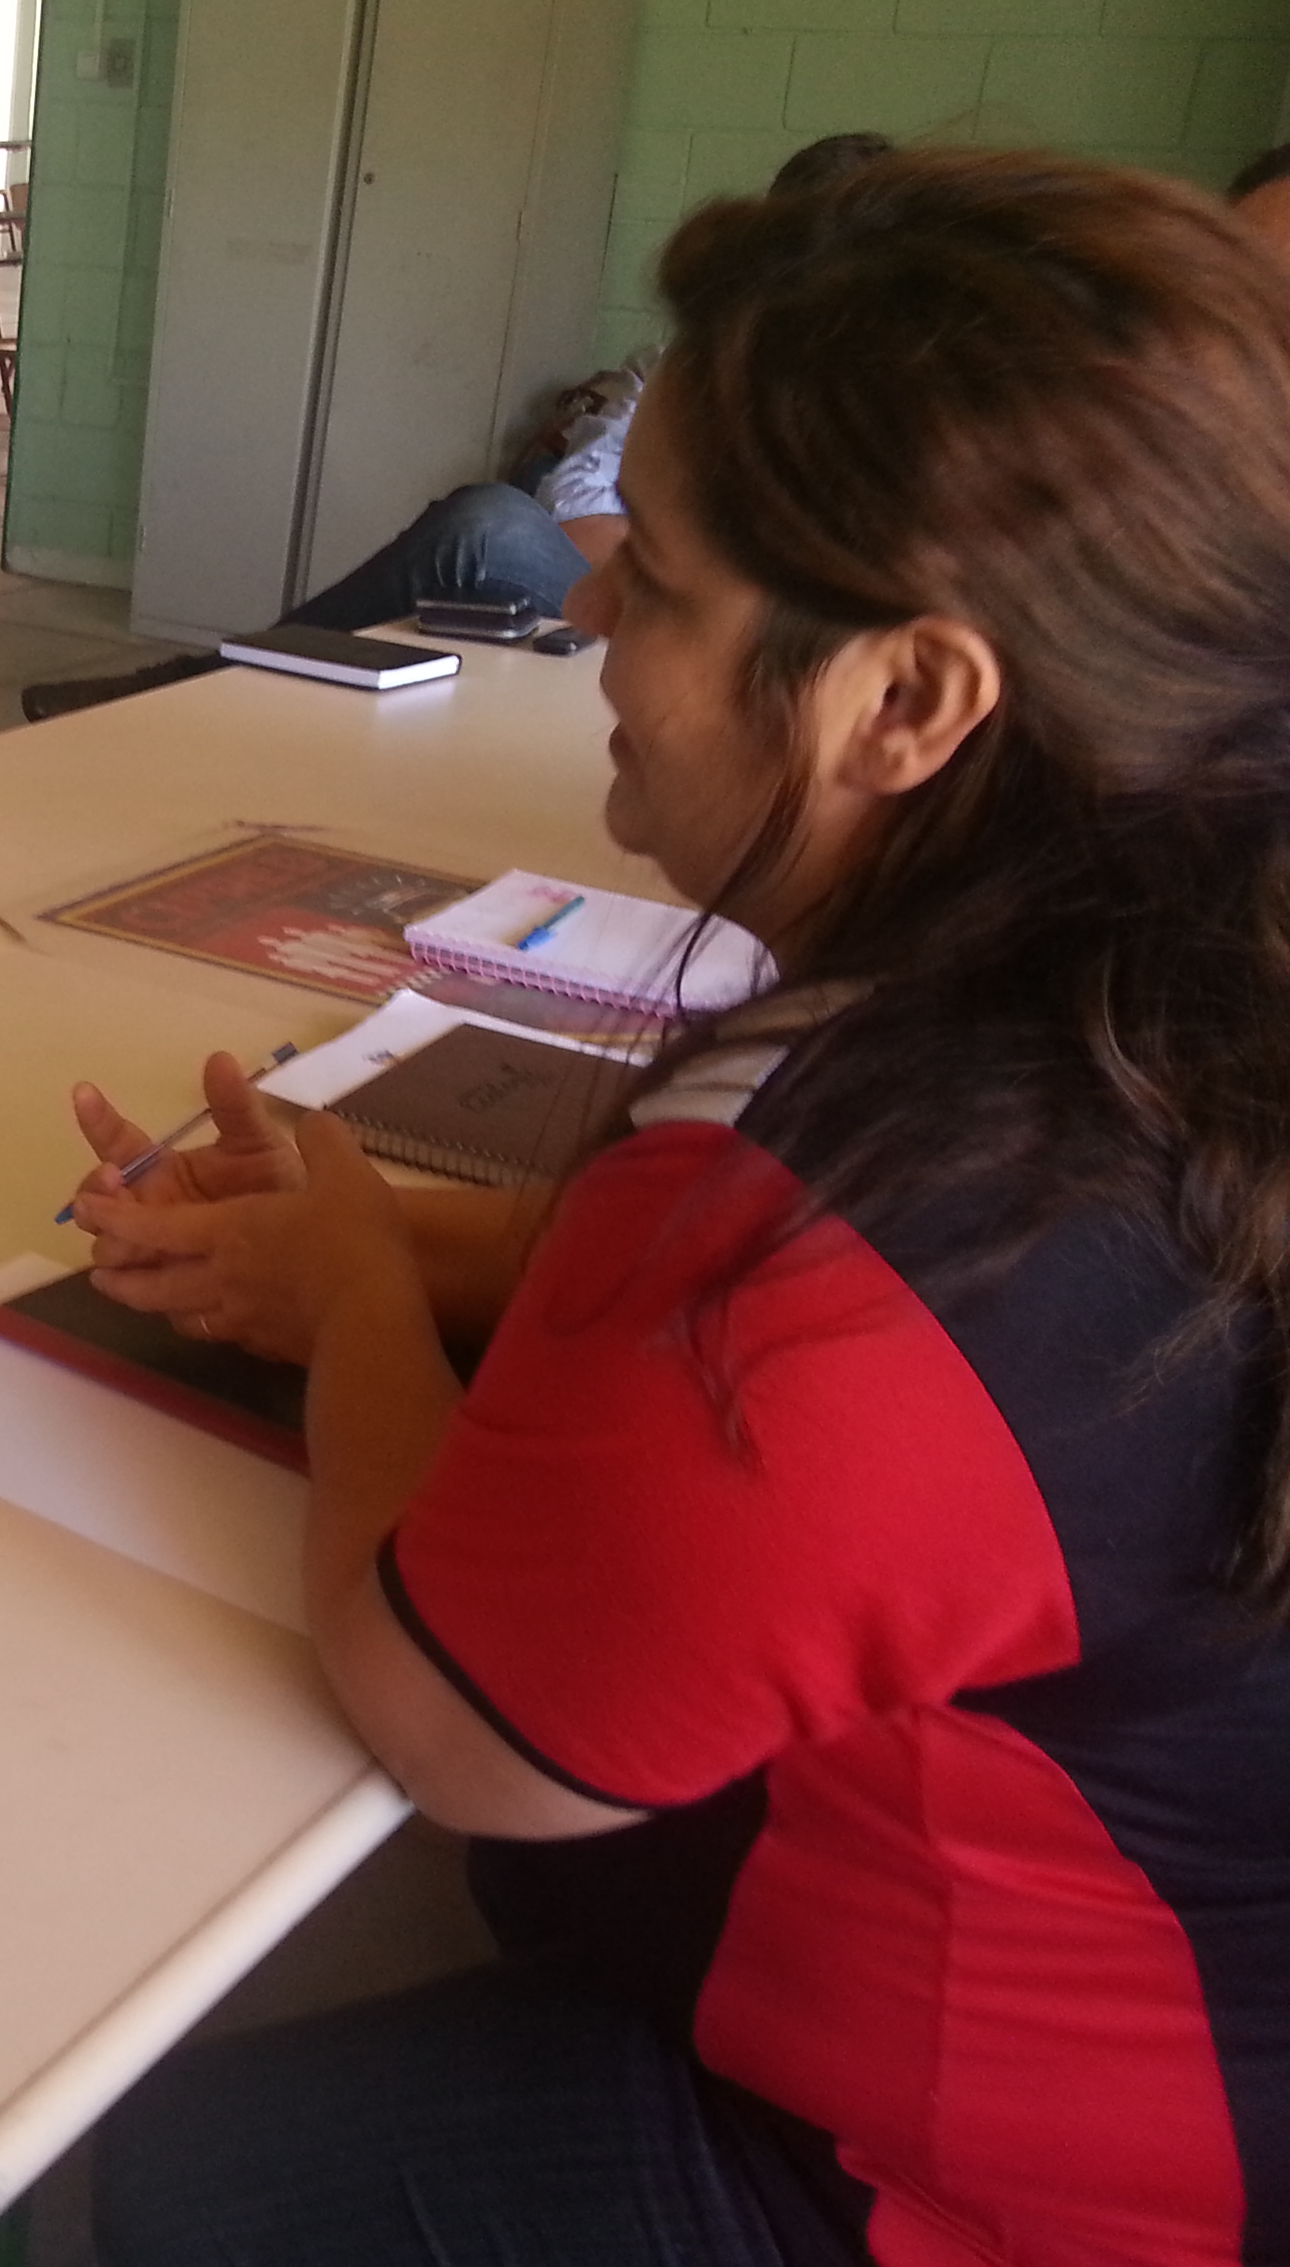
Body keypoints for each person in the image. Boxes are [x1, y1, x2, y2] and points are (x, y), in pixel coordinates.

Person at [64, 148, 1290, 2262]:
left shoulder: (883, 1204)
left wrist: (358, 1304)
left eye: (665, 577)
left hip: (1030, 2192)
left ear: (904, 698)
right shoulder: (1172, 980)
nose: (583, 608)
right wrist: (386, 1234)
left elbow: (455, 1729)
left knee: (183, 2176)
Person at [23, 135, 897, 725]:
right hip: (631, 584)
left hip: (760, 642)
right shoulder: (687, 357)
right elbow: (577, 492)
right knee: (488, 523)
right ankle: (207, 687)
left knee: (485, 538)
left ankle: (200, 690)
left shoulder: (895, 413)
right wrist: (653, 565)